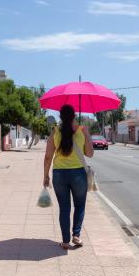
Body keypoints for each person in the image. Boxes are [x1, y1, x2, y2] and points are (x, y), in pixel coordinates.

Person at [43, 105, 94, 250]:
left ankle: (65, 241)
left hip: (59, 174)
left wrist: (45, 176)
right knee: (79, 205)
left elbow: (47, 157)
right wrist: (87, 134)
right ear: (73, 116)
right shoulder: (81, 131)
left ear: (60, 116)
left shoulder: (55, 132)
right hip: (78, 174)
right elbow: (90, 154)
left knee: (64, 208)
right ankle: (76, 235)